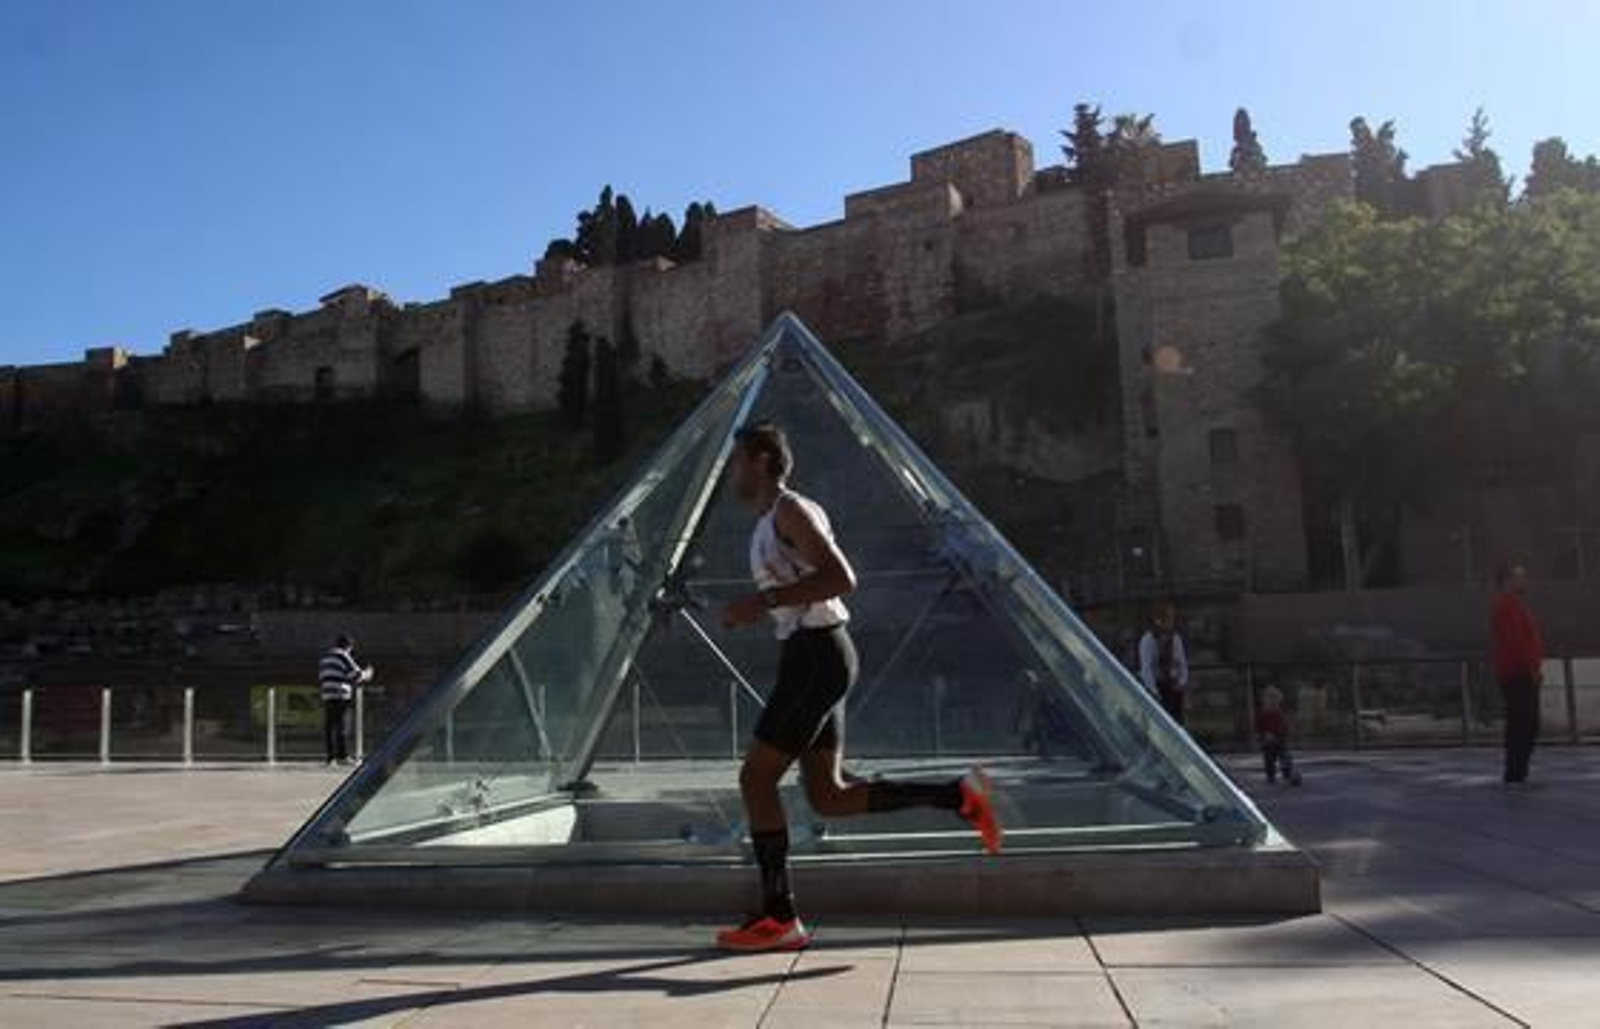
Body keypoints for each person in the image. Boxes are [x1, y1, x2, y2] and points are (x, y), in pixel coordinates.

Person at [714, 421, 1002, 953]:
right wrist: (767, 609)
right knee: (828, 795)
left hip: (817, 655)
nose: (731, 471)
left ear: (758, 460)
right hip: (814, 654)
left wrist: (762, 604)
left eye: (736, 461)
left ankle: (779, 917)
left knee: (756, 779)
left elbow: (841, 577)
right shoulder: (773, 518)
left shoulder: (788, 511)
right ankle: (957, 796)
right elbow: (809, 585)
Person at [1490, 564, 1543, 786]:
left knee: (1527, 723)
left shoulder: (1513, 604)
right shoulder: (1505, 605)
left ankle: (1519, 772)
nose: (1524, 581)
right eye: (1519, 577)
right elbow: (1515, 641)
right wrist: (1529, 669)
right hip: (1517, 673)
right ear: (1507, 581)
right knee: (1522, 724)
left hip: (1522, 671)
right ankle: (1515, 774)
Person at [319, 634, 373, 767]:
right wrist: (368, 673)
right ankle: (343, 756)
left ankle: (330, 758)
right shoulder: (343, 655)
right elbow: (356, 674)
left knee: (330, 726)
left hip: (327, 694)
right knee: (342, 726)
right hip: (341, 694)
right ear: (348, 646)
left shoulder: (325, 658)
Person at [1139, 602, 1189, 726]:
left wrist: (1181, 682)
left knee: (1177, 724)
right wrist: (1154, 692)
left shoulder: (1175, 638)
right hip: (1157, 687)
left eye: (1171, 619)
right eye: (1166, 619)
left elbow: (1182, 663)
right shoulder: (1148, 640)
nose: (1169, 623)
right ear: (1157, 620)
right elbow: (1146, 668)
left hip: (1174, 686)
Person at [1255, 685, 1301, 786]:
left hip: (1280, 741)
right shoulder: (1262, 714)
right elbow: (1258, 727)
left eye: (1275, 701)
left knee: (1285, 757)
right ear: (1265, 701)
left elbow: (1284, 727)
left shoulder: (1279, 714)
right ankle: (1271, 776)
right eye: (1269, 700)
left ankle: (1288, 774)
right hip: (1268, 742)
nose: (1272, 703)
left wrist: (1279, 735)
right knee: (1269, 759)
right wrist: (1264, 735)